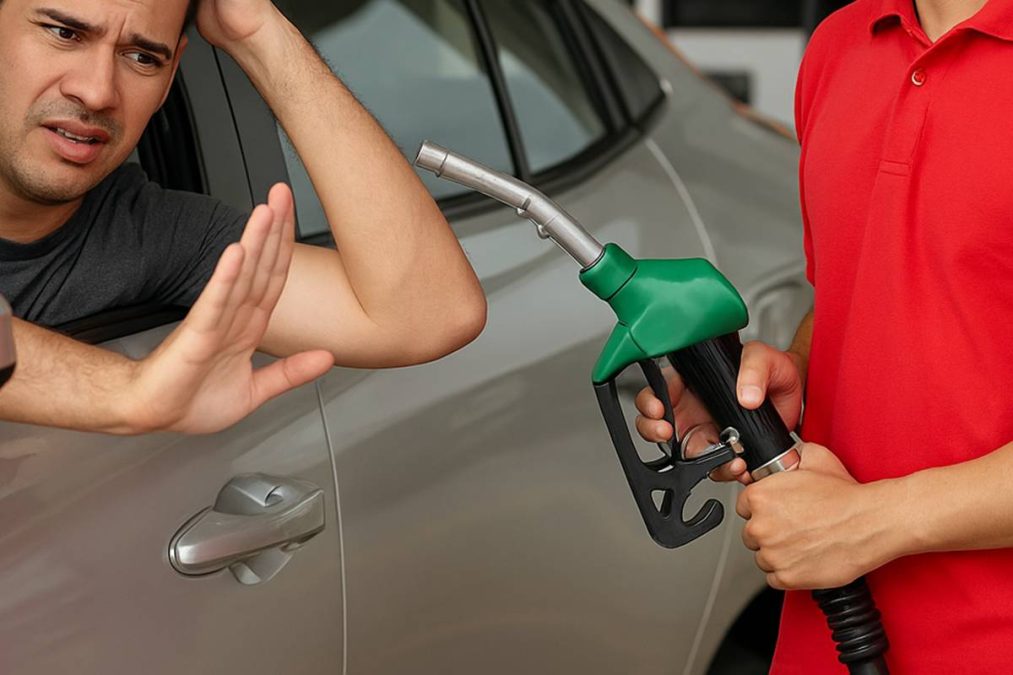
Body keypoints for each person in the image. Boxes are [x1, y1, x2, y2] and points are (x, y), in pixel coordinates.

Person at [636, 0, 1013, 671]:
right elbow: (868, 288)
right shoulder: (842, 43)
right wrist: (790, 377)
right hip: (828, 636)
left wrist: (873, 520)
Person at [0, 0, 487, 434]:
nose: (97, 91)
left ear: (171, 79)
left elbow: (431, 314)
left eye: (142, 57)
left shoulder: (148, 232)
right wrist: (128, 392)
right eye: (64, 33)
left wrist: (257, 33)